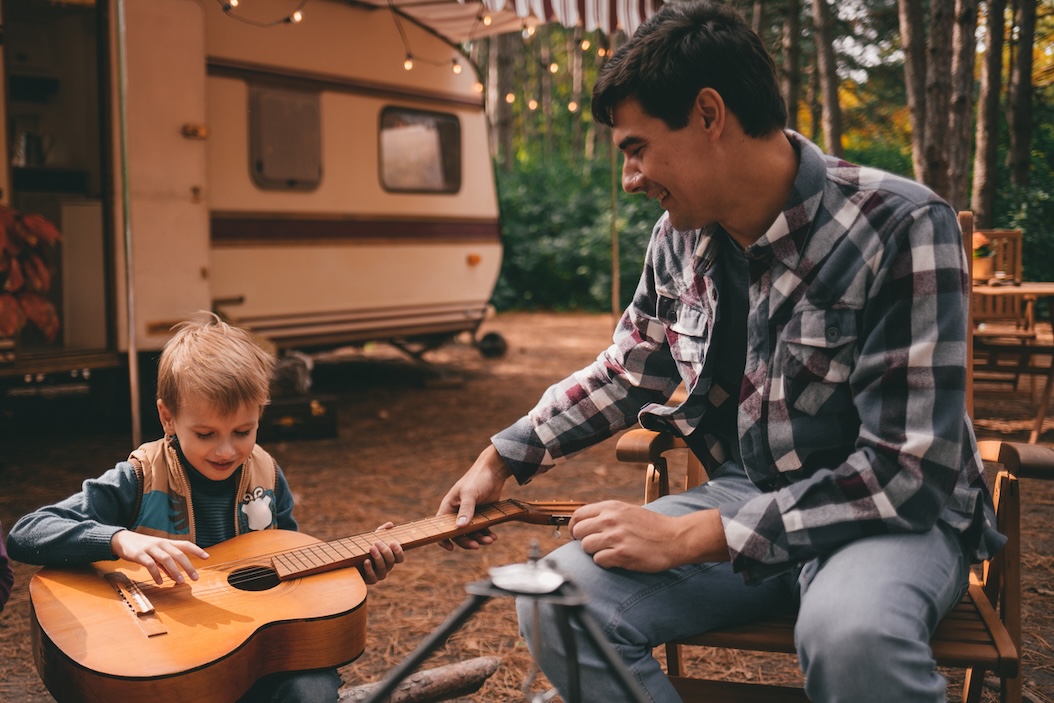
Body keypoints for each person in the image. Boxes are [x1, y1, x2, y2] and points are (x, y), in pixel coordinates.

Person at [436, 2, 1005, 702]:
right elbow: (629, 368)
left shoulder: (904, 225)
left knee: (855, 638)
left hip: (885, 519)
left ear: (710, 115)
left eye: (637, 148)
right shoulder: (679, 236)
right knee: (557, 597)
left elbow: (906, 475)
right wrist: (505, 454)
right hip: (747, 492)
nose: (631, 177)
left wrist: (693, 536)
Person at [7, 313, 404, 703]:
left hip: (255, 652)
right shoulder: (140, 477)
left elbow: (291, 570)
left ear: (259, 414)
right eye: (205, 434)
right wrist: (119, 540)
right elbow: (27, 532)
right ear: (168, 417)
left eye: (243, 432)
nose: (226, 450)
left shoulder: (266, 475)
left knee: (312, 691)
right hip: (166, 658)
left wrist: (354, 568)